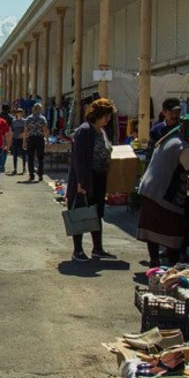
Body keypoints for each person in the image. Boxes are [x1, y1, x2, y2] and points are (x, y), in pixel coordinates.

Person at [136, 114, 189, 266]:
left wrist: (185, 178)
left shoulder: (168, 139)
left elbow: (171, 166)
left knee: (152, 229)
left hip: (149, 188)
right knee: (173, 229)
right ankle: (172, 266)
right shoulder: (182, 146)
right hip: (161, 191)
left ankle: (154, 262)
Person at [66, 98, 117, 262]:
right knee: (80, 213)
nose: (108, 120)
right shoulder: (85, 130)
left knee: (96, 213)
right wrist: (81, 183)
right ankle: (78, 250)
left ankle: (98, 248)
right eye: (106, 116)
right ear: (97, 115)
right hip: (85, 179)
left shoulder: (100, 130)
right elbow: (80, 159)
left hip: (98, 179)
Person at [24, 102, 48, 182]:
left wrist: (24, 141)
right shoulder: (43, 118)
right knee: (40, 157)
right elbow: (45, 130)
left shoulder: (29, 118)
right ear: (40, 109)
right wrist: (47, 140)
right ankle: (40, 175)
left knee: (30, 157)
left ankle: (31, 175)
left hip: (31, 138)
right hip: (40, 138)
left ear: (33, 109)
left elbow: (26, 131)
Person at [9, 108, 27, 175]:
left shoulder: (25, 121)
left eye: (21, 112)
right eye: (18, 112)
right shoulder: (13, 121)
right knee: (15, 154)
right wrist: (10, 142)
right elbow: (12, 131)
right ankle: (15, 169)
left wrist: (24, 140)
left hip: (22, 139)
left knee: (23, 154)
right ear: (16, 113)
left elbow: (26, 131)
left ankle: (24, 168)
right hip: (15, 139)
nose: (20, 114)